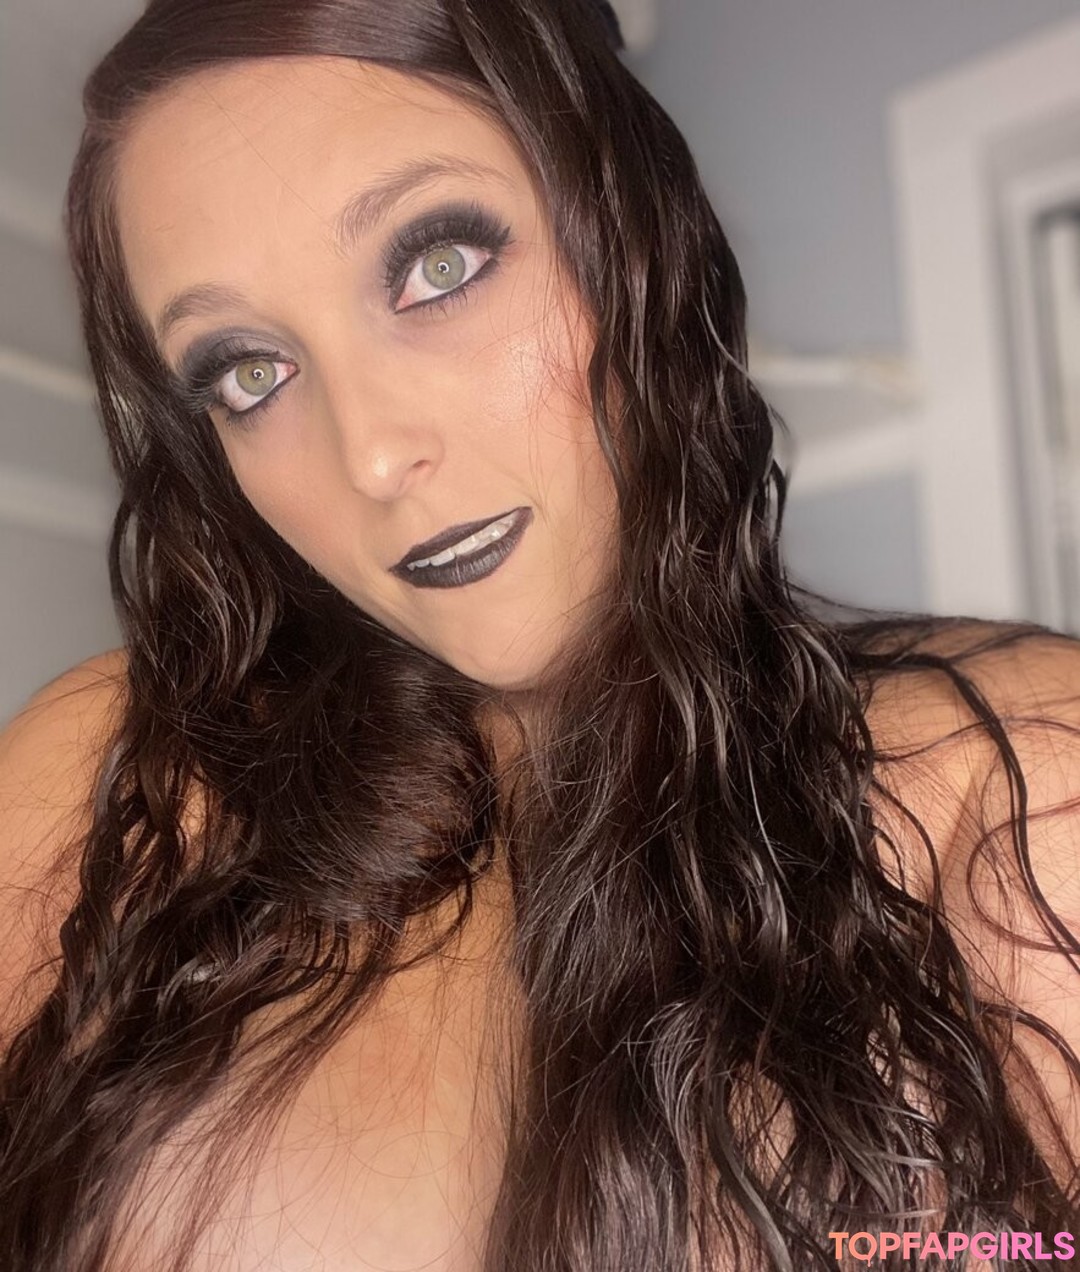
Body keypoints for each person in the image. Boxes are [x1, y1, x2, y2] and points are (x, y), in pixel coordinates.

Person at [0, 1, 1077, 1268]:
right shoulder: (111, 790)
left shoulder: (1015, 800)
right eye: (249, 371)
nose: (372, 455)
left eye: (438, 265)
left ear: (627, 228)